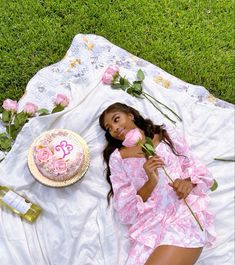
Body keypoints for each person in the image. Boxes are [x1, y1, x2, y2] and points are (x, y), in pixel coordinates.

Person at [99, 102, 216, 265]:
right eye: (109, 128)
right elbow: (126, 211)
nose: (114, 128)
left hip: (184, 214)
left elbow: (194, 166)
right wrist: (151, 181)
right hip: (151, 227)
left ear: (130, 115)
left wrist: (188, 183)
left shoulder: (165, 135)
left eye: (116, 119)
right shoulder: (117, 159)